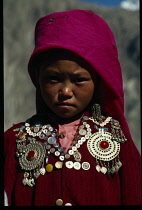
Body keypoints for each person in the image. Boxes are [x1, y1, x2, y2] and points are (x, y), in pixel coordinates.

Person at [4, 9, 141, 206]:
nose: (66, 91)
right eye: (53, 79)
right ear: (37, 78)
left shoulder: (118, 141)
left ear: (97, 80)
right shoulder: (13, 141)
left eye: (79, 80)